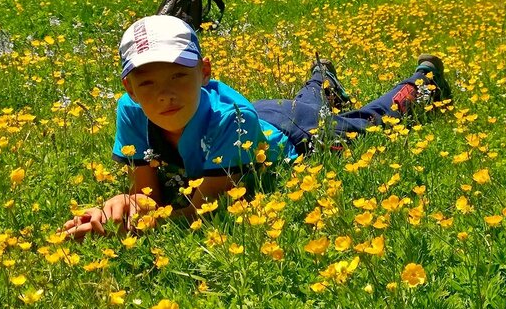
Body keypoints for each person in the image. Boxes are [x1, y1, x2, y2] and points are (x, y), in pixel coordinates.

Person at [61, 15, 451, 239]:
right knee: (309, 102)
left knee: (364, 122)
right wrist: (120, 207)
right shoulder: (131, 110)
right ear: (129, 87)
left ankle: (423, 84)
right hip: (260, 116)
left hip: (291, 134)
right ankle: (321, 79)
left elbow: (205, 210)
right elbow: (150, 194)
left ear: (204, 72)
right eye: (147, 83)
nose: (164, 95)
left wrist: (132, 227)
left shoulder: (233, 119)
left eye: (178, 76)